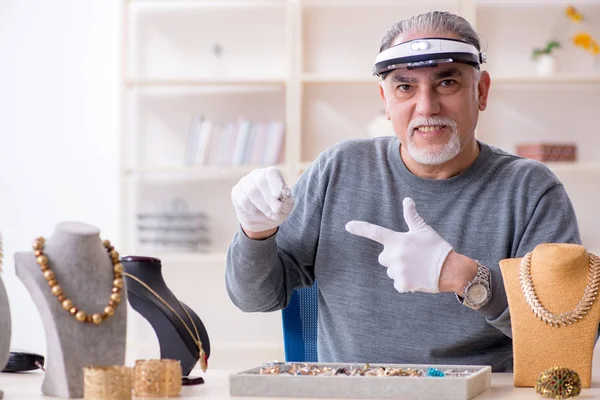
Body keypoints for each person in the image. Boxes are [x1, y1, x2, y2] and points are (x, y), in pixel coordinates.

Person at [225, 11, 581, 372]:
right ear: (385, 98)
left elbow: (566, 337)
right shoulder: (338, 169)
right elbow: (254, 297)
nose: (426, 107)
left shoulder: (531, 191)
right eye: (405, 87)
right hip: (352, 394)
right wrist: (255, 234)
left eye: (446, 83)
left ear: (481, 91)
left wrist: (466, 277)